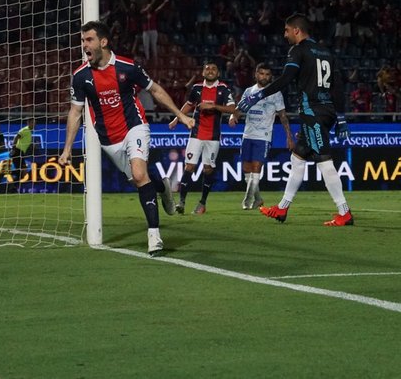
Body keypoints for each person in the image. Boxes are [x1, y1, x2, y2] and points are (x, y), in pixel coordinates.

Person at [58, 21, 194, 256]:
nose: (84, 45)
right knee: (140, 180)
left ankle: (154, 237)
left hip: (135, 127)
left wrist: (181, 115)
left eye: (89, 40)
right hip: (109, 140)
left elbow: (155, 90)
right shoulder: (81, 76)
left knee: (140, 174)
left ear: (103, 42)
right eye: (82, 41)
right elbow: (75, 111)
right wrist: (67, 148)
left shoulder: (127, 67)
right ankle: (162, 186)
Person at [237, 13, 353, 226]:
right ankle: (282, 208)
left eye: (287, 30)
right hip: (326, 111)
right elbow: (338, 86)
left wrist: (258, 95)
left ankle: (344, 212)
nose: (285, 34)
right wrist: (342, 117)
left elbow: (286, 78)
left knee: (324, 162)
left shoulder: (298, 50)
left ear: (297, 30)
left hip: (313, 112)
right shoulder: (326, 52)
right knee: (298, 157)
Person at [168, 60, 236, 215]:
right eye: (207, 69)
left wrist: (213, 106)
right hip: (196, 134)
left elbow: (233, 108)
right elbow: (189, 104)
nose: (210, 71)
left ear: (218, 73)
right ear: (203, 73)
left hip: (213, 137)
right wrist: (176, 118)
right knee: (189, 167)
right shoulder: (197, 88)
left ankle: (202, 203)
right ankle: (181, 202)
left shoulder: (223, 89)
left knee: (208, 169)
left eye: (213, 68)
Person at [228, 63, 295, 210]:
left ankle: (248, 199)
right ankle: (258, 199)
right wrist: (233, 116)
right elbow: (240, 108)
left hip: (264, 135)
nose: (264, 77)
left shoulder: (275, 93)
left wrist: (289, 136)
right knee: (246, 168)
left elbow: (282, 116)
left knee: (256, 167)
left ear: (271, 77)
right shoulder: (248, 91)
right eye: (261, 73)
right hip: (248, 134)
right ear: (256, 74)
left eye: (267, 74)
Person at [11, 117, 36, 182]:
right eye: (32, 123)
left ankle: (14, 185)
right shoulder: (25, 130)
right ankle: (11, 180)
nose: (34, 124)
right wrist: (13, 149)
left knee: (21, 170)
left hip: (21, 152)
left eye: (34, 123)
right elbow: (16, 138)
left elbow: (25, 142)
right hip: (17, 151)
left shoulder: (29, 132)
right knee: (22, 170)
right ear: (28, 123)